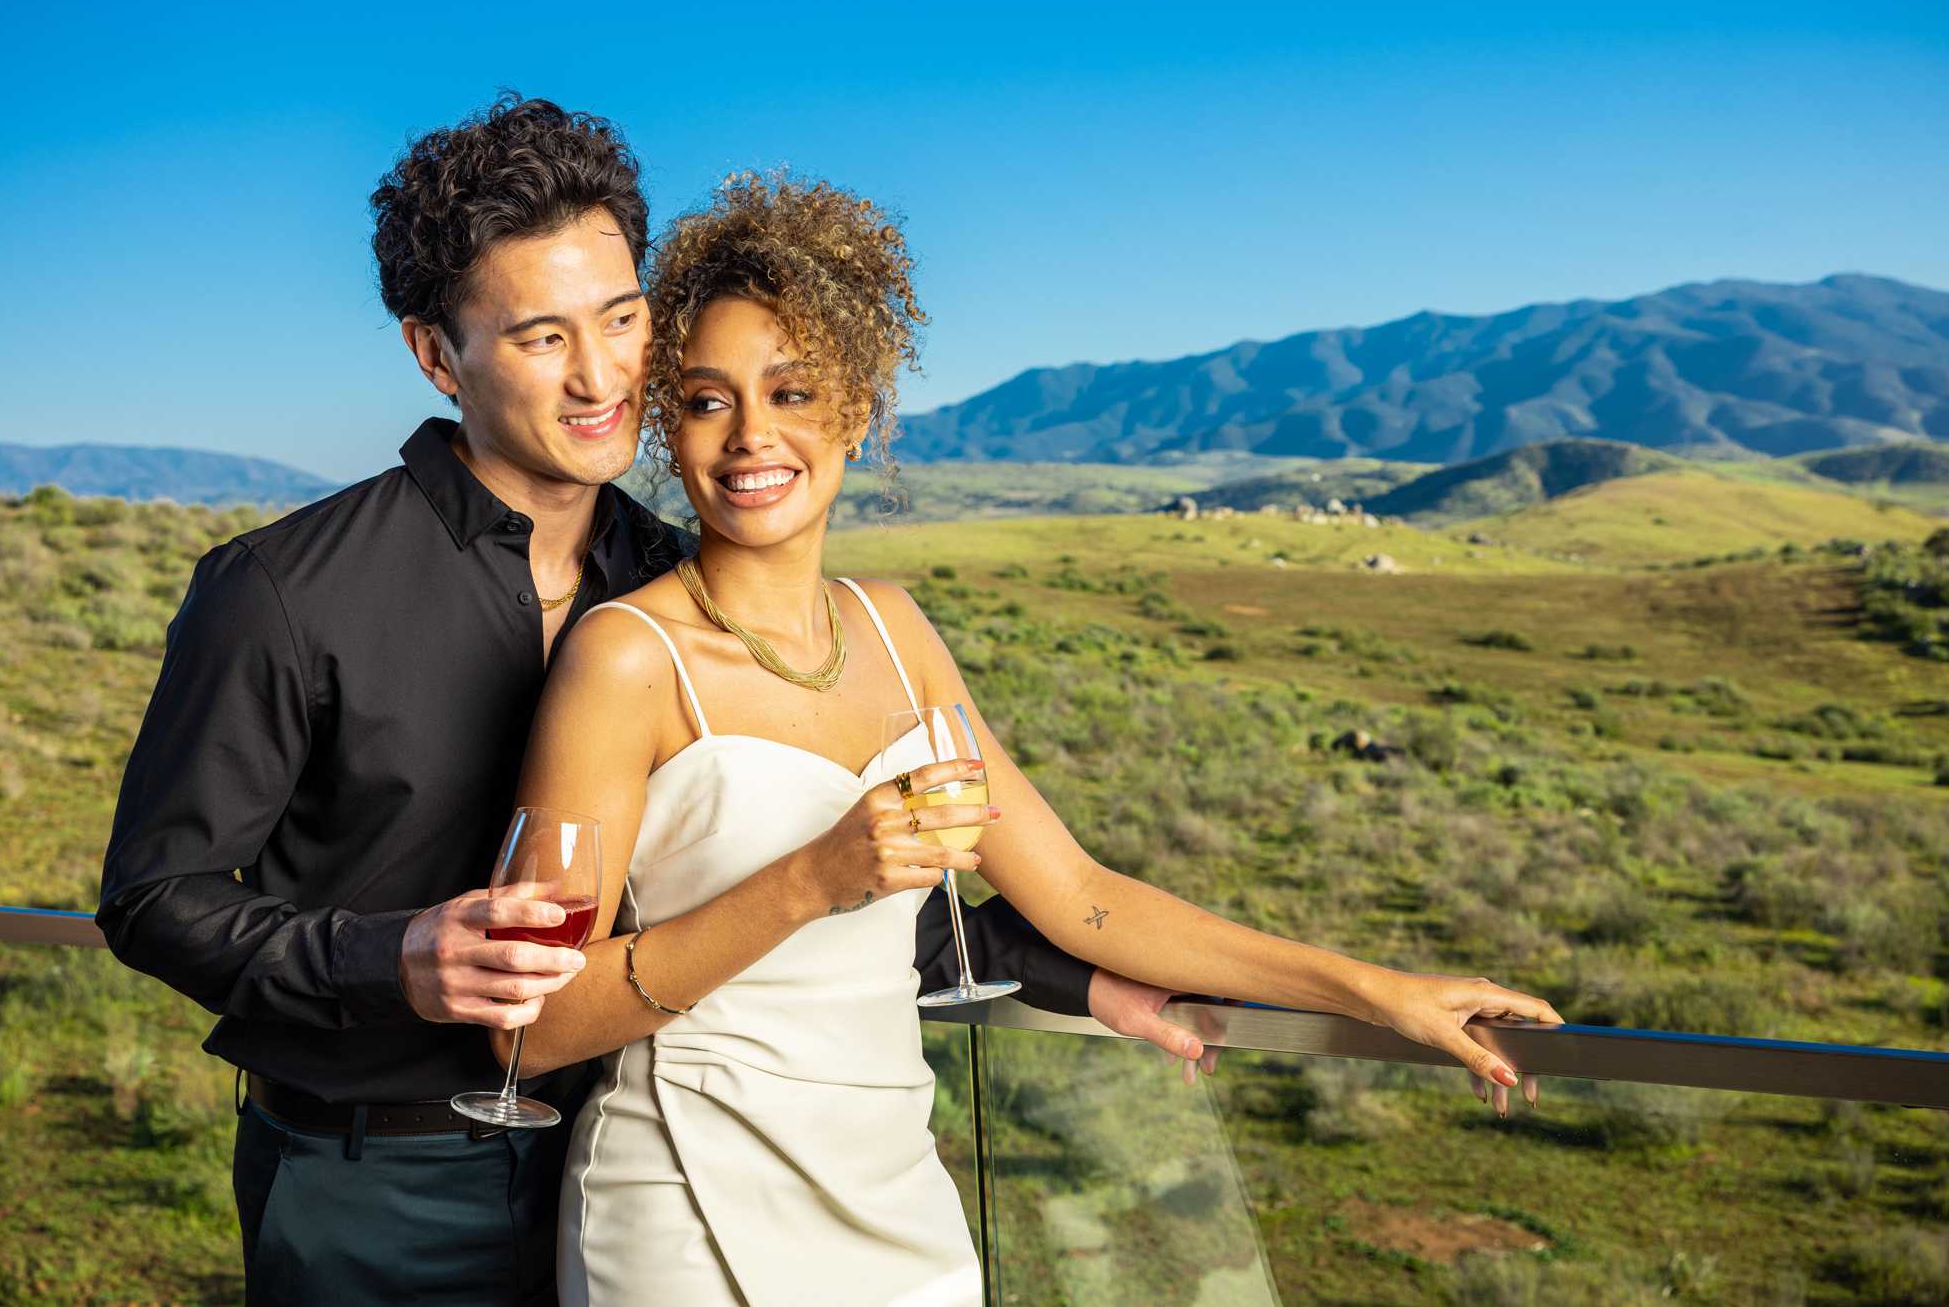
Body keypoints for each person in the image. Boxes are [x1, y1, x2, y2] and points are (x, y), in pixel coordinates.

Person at [95, 97, 1165, 1306]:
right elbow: (151, 897)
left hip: (627, 1160)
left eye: (620, 317)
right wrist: (387, 956)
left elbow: (792, 877)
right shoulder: (283, 590)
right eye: (542, 337)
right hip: (375, 1182)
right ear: (437, 356)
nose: (601, 375)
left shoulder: (670, 583)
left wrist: (1082, 982)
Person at [510, 174, 1565, 1306]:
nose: (751, 435)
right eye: (709, 399)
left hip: (890, 1192)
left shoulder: (894, 630)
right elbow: (537, 1021)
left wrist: (1373, 991)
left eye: (793, 391)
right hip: (681, 1205)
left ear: (857, 411)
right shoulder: (623, 658)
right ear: (669, 421)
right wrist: (813, 879)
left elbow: (1082, 896)